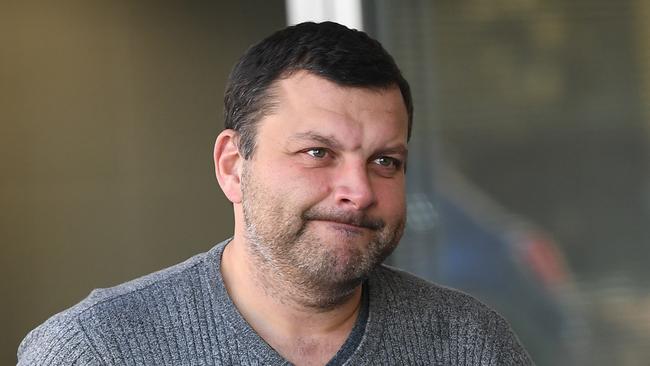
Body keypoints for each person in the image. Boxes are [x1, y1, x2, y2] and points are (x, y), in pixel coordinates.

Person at [17, 21, 533, 365]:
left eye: (384, 161)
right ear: (232, 167)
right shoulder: (95, 350)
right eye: (317, 153)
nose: (358, 190)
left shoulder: (469, 345)